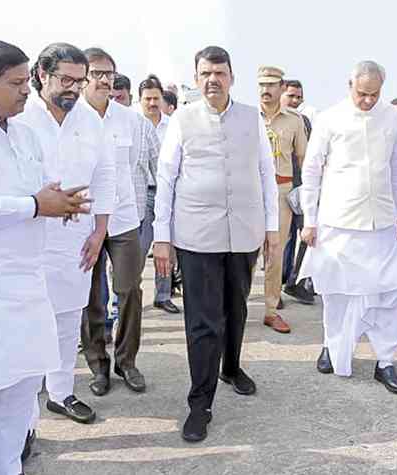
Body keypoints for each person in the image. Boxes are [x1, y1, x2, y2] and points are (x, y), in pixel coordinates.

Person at [0, 40, 89, 475]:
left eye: (28, 80)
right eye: (16, 83)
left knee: (20, 398)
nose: (28, 90)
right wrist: (32, 206)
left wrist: (58, 202)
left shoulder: (25, 133)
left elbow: (38, 192)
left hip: (28, 286)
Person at [153, 46, 278, 443]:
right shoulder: (182, 120)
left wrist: (272, 229)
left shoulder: (251, 117)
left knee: (236, 309)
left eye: (219, 73)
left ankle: (232, 367)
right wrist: (161, 236)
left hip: (244, 231)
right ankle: (200, 403)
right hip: (197, 235)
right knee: (203, 321)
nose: (213, 80)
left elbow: (266, 172)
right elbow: (166, 178)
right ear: (196, 78)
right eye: (205, 73)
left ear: (231, 77)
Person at [19, 43, 117, 455]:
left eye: (80, 81)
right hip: (26, 239)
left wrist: (100, 232)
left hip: (76, 241)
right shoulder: (20, 116)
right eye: (66, 80)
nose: (74, 89)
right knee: (27, 329)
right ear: (42, 75)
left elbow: (106, 175)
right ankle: (22, 424)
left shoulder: (89, 121)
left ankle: (60, 393)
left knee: (65, 322)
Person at [299, 60, 397, 394]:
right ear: (350, 86)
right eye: (362, 94)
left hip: (382, 221)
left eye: (374, 94)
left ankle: (385, 360)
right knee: (337, 293)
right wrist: (309, 219)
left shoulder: (393, 117)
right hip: (338, 222)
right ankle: (332, 346)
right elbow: (311, 171)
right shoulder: (329, 118)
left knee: (388, 293)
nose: (368, 100)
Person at [79, 47, 147, 397]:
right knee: (89, 295)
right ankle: (97, 364)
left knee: (129, 289)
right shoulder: (72, 117)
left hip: (122, 217)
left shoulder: (129, 119)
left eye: (109, 73)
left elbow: (130, 166)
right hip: (82, 220)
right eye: (97, 73)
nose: (104, 80)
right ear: (83, 77)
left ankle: (126, 361)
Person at [258, 66, 308, 334]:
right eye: (262, 85)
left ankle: (270, 310)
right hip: (250, 192)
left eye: (271, 85)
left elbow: (304, 159)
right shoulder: (247, 117)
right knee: (243, 252)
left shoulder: (295, 120)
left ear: (281, 87)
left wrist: (308, 193)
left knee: (275, 252)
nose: (265, 90)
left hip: (281, 191)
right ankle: (235, 308)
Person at [138, 74, 180, 314]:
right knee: (140, 247)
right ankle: (130, 296)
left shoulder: (173, 125)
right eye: (148, 99)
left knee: (166, 246)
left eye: (156, 99)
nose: (152, 103)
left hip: (169, 193)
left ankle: (163, 296)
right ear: (140, 100)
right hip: (143, 193)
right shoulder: (134, 124)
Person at [280, 79, 316, 305]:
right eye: (291, 95)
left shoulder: (304, 122)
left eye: (298, 97)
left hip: (301, 187)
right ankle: (276, 285)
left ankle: (296, 282)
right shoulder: (266, 121)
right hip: (278, 186)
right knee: (281, 239)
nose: (295, 100)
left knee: (307, 235)